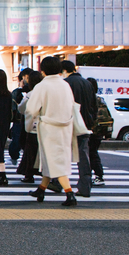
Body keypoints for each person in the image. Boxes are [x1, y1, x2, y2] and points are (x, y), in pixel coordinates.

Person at [26, 56, 79, 206]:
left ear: (43, 70)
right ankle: (41, 189)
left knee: (54, 160)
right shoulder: (65, 85)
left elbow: (31, 109)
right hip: (65, 127)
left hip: (49, 128)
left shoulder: (42, 86)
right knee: (52, 159)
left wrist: (29, 125)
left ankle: (69, 193)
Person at [61, 60, 96, 197]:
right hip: (84, 124)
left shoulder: (65, 84)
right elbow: (94, 104)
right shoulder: (87, 83)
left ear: (64, 71)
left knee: (62, 153)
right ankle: (85, 186)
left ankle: (58, 182)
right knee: (83, 156)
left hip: (68, 122)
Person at [16, 71, 43, 184]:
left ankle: (29, 174)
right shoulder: (45, 92)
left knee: (30, 151)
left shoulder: (30, 94)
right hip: (46, 126)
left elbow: (22, 108)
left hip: (33, 127)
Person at [86, 77, 108, 186]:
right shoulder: (100, 99)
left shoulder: (89, 99)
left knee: (91, 154)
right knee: (92, 153)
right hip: (99, 131)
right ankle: (94, 175)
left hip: (91, 131)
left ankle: (98, 175)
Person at [9, 68, 32, 166]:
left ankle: (16, 157)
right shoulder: (19, 92)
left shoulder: (17, 92)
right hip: (26, 119)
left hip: (20, 119)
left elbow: (14, 107)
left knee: (17, 139)